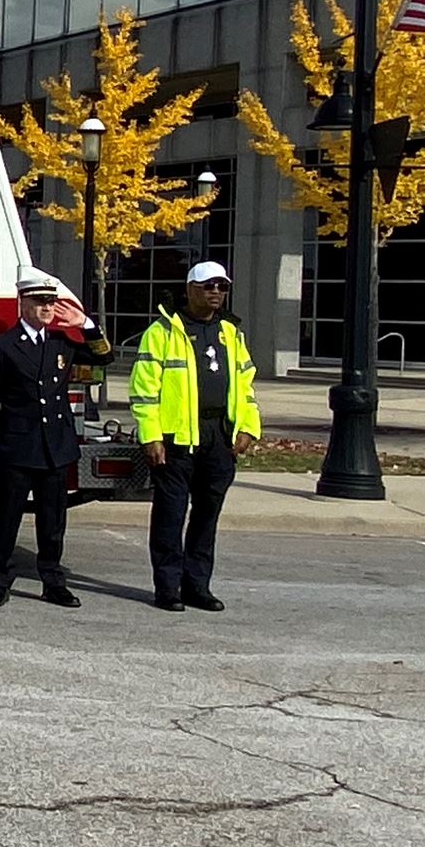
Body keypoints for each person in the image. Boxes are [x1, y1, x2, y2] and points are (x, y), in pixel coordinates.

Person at [129, 259, 259, 613]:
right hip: (176, 440)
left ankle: (197, 586)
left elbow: (245, 385)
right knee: (170, 516)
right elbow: (143, 390)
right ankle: (168, 587)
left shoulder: (231, 333)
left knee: (207, 516)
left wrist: (248, 427)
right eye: (208, 285)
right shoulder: (163, 331)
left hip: (218, 436)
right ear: (190, 289)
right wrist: (151, 435)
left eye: (222, 286)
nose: (216, 292)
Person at [0, 269, 109, 607]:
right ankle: (0, 582)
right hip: (17, 447)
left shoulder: (62, 343)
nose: (48, 308)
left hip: (55, 446)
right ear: (23, 303)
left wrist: (84, 323)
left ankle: (52, 581)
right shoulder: (3, 346)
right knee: (8, 519)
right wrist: (2, 431)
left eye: (51, 302)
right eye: (41, 302)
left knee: (53, 522)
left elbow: (103, 357)